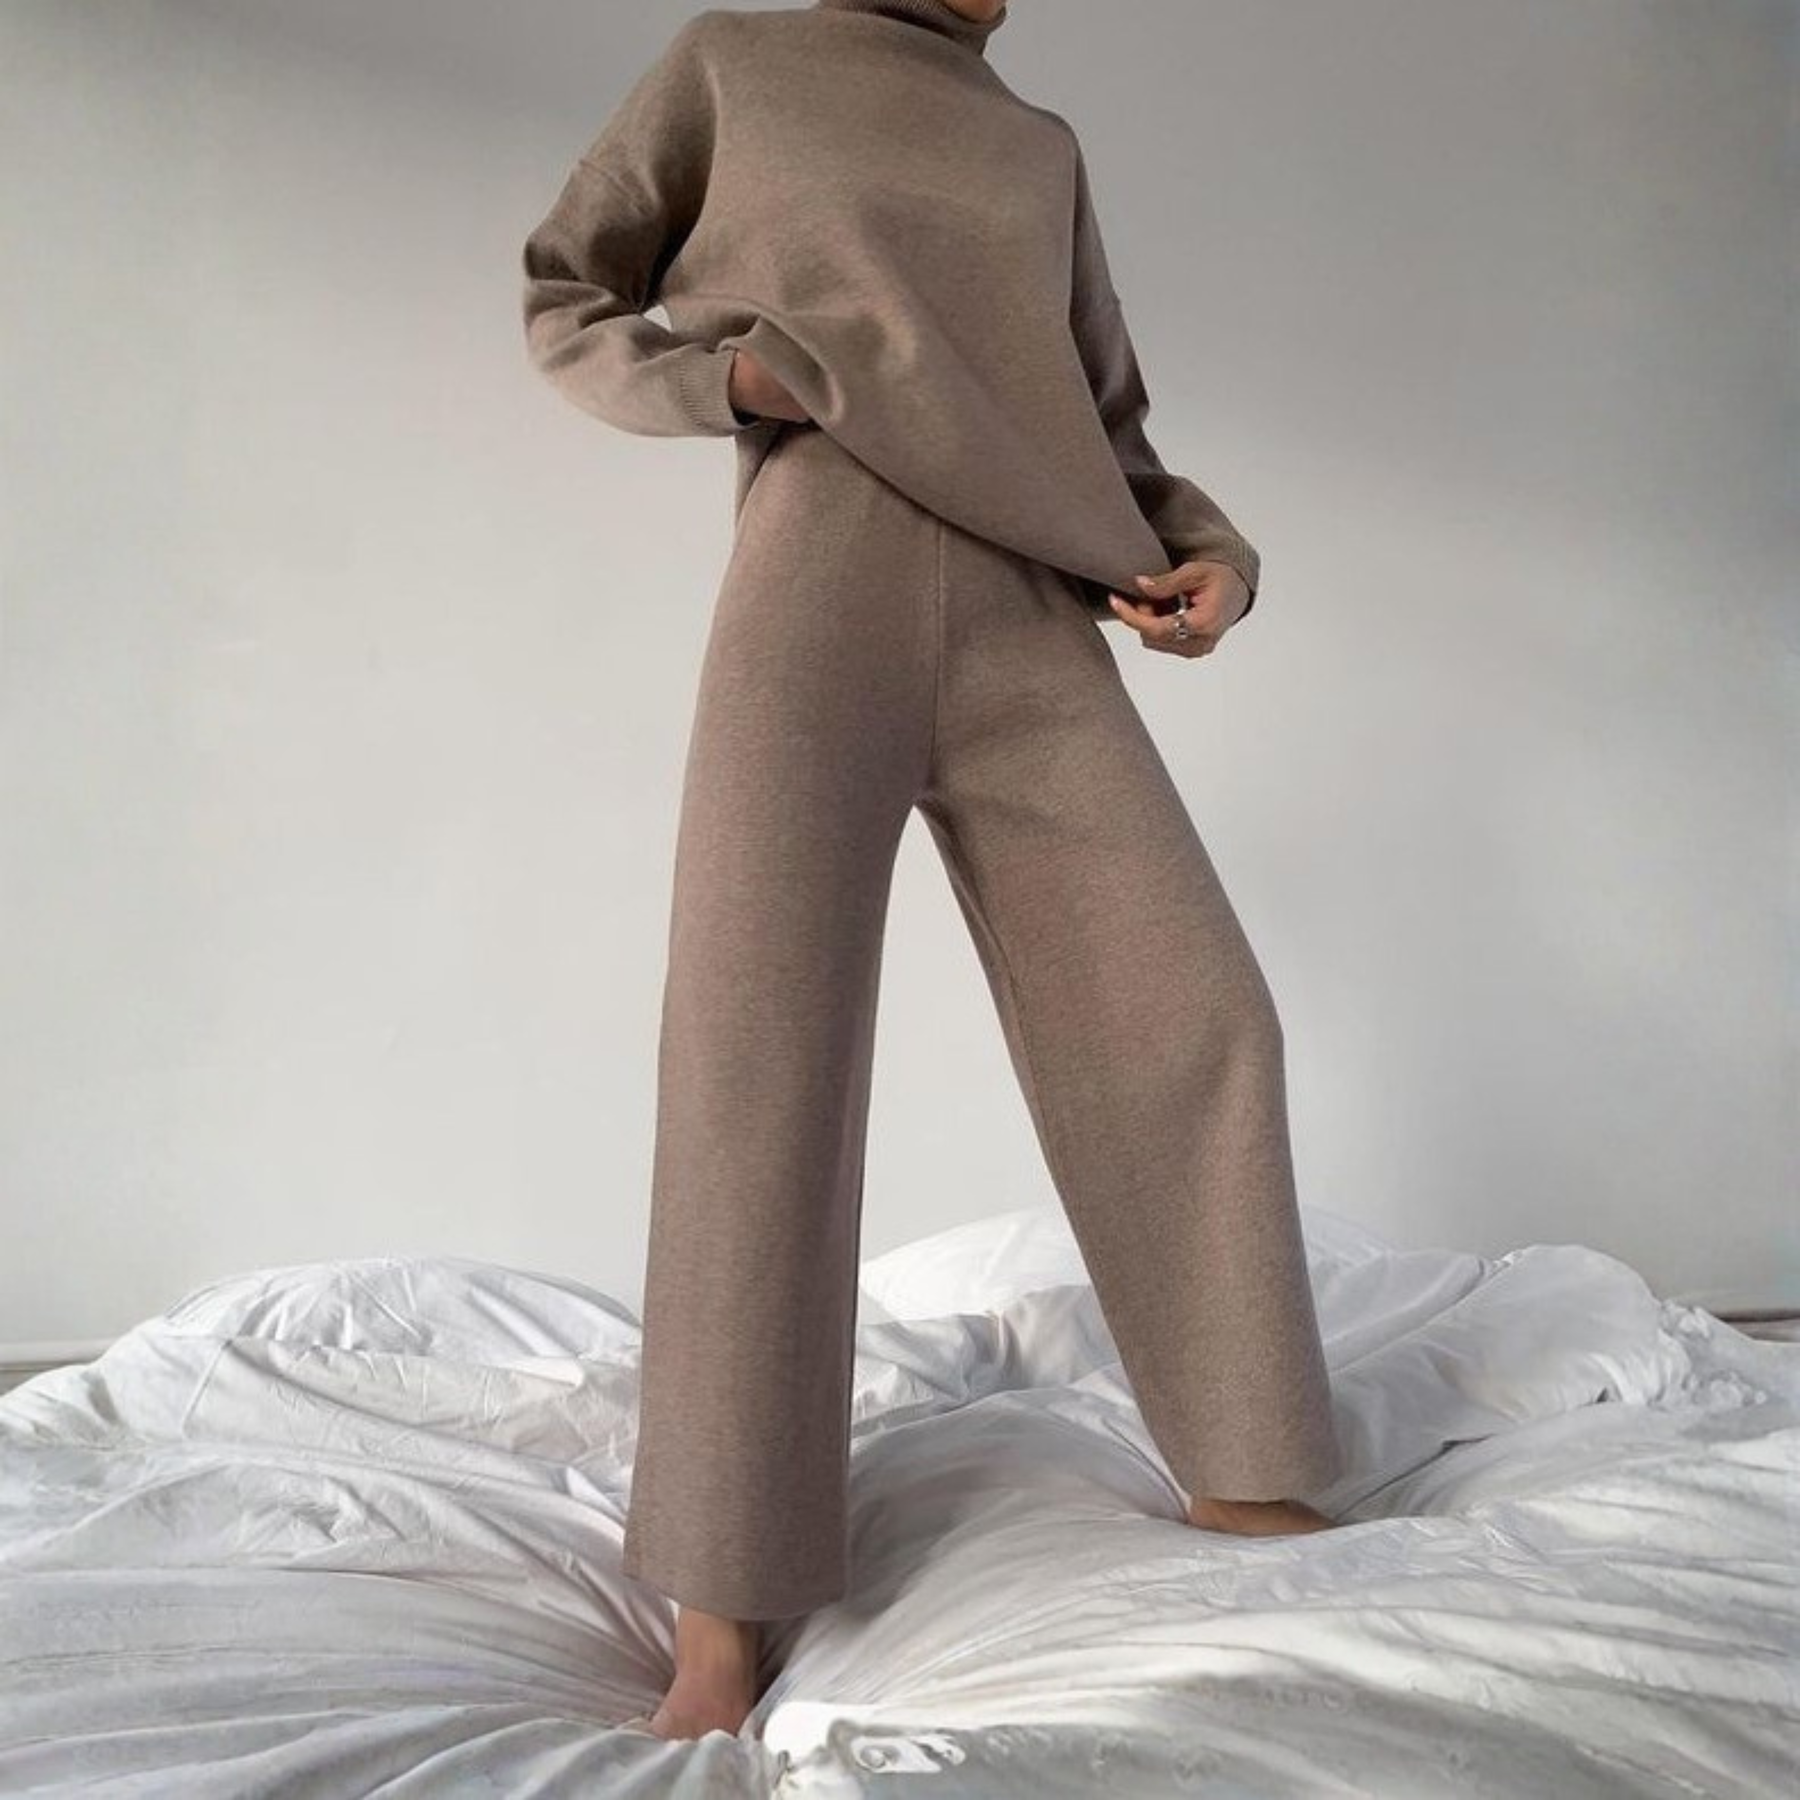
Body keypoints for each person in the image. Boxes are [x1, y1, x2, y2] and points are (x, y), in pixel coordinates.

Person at [521, 0, 1347, 1741]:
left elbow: (1101, 428)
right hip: (811, 593)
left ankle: (1248, 1468)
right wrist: (726, 380)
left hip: (1035, 621)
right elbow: (566, 289)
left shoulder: (1035, 148)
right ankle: (723, 1602)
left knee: (1195, 1017)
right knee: (759, 1062)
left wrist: (1210, 556)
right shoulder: (737, 65)